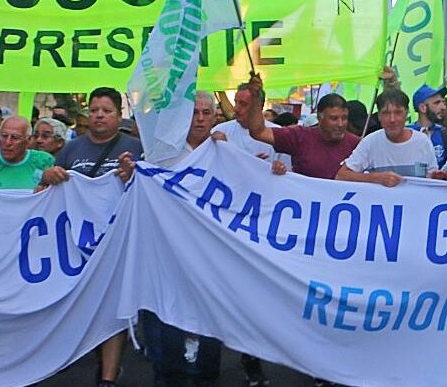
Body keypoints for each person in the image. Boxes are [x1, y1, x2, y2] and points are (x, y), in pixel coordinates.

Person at [39, 87, 141, 387]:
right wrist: (48, 176)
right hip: (78, 246)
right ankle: (95, 358)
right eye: (94, 109)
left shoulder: (135, 147)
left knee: (112, 308)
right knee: (81, 305)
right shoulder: (72, 149)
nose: (98, 115)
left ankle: (107, 378)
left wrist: (132, 176)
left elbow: (149, 190)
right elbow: (47, 190)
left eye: (106, 110)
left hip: (119, 241)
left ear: (118, 115)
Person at [140, 92, 225, 387]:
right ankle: (169, 375)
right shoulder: (163, 154)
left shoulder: (225, 152)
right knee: (168, 322)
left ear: (215, 117)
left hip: (212, 255)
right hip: (170, 252)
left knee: (211, 320)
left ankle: (206, 377)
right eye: (194, 112)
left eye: (206, 113)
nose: (200, 118)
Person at [244, 74, 359, 180]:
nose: (340, 124)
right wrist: (255, 98)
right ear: (319, 118)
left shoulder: (358, 145)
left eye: (344, 118)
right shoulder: (300, 137)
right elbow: (259, 132)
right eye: (334, 118)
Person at [336, 90, 438, 185]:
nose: (392, 119)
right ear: (379, 116)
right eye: (386, 113)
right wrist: (375, 178)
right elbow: (341, 176)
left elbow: (432, 180)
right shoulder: (370, 142)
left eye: (398, 113)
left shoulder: (423, 141)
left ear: (406, 114)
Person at [0, 116, 53, 190]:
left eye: (15, 137)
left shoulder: (45, 161)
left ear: (29, 140)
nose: (8, 142)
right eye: (4, 136)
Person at [409, 84, 447, 169]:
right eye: (437, 103)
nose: (443, 107)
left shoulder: (446, 135)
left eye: (443, 102)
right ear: (423, 108)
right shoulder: (408, 133)